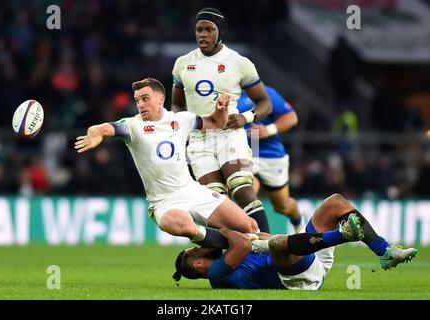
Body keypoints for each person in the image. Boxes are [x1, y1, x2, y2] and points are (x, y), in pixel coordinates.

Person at [75, 78, 259, 249]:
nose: (140, 104)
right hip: (164, 202)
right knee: (185, 224)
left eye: (145, 99)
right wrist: (96, 133)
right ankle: (236, 244)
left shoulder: (182, 120)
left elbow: (215, 122)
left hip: (191, 191)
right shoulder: (132, 126)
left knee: (249, 225)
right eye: (137, 100)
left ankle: (271, 258)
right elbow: (105, 128)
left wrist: (221, 109)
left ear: (160, 99)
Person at [173, 193, 418, 290]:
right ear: (196, 265)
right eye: (197, 250)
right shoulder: (217, 274)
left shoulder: (224, 258)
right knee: (279, 243)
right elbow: (244, 244)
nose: (203, 246)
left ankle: (385, 253)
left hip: (306, 256)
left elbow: (256, 230)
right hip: (297, 279)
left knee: (335, 202)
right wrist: (224, 229)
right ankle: (344, 235)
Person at [171, 7, 273, 232]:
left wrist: (244, 118)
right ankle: (228, 258)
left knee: (242, 189)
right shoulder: (182, 64)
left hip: (229, 135)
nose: (203, 34)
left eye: (209, 29)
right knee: (215, 203)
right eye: (199, 30)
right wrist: (182, 124)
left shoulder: (239, 62)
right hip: (199, 140)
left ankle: (268, 248)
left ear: (220, 32)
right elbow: (177, 104)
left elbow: (265, 103)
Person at [237, 85, 304, 232]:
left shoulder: (263, 92)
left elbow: (291, 117)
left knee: (283, 206)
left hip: (270, 155)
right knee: (248, 194)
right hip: (243, 155)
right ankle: (257, 242)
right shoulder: (221, 96)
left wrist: (268, 130)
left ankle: (299, 224)